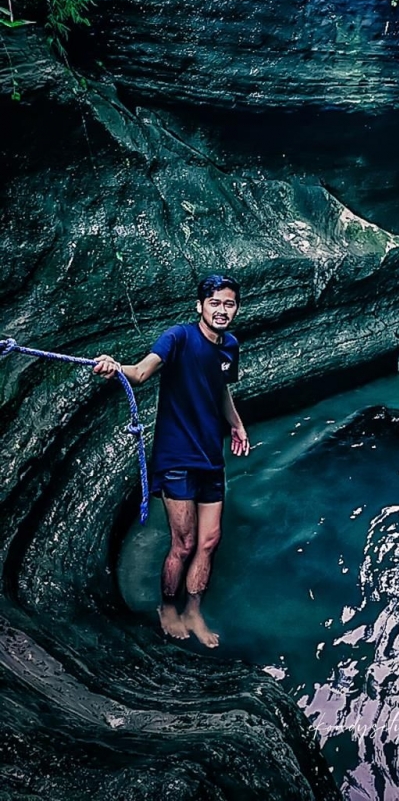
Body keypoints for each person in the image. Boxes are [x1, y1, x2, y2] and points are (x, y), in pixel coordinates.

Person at [93, 274, 249, 648]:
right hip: (176, 457)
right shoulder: (178, 337)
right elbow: (142, 371)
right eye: (215, 303)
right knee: (184, 542)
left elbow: (221, 388)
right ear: (200, 306)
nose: (222, 310)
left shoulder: (230, 346)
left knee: (209, 540)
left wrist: (237, 426)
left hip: (210, 456)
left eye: (229, 304)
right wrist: (117, 367)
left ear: (236, 308)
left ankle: (193, 609)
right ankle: (167, 606)